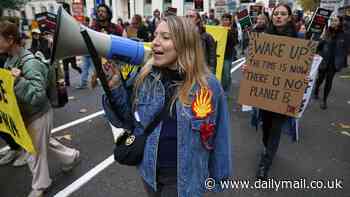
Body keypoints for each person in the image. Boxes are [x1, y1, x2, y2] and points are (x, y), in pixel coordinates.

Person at [103, 16, 232, 197]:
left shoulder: (208, 86)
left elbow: (220, 135)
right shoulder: (145, 77)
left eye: (165, 37)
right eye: (155, 35)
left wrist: (217, 178)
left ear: (185, 44)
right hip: (150, 174)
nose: (155, 42)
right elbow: (125, 120)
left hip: (185, 180)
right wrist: (115, 86)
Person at [0, 21, 80, 197]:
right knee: (41, 144)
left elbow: (37, 96)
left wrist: (18, 81)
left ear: (10, 39)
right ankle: (70, 156)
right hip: (27, 116)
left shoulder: (29, 63)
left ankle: (40, 185)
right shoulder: (11, 60)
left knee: (33, 151)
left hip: (37, 114)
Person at [243, 4, 298, 180]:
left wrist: (304, 78)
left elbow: (303, 67)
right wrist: (249, 68)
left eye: (283, 14)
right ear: (272, 17)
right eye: (276, 14)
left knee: (275, 129)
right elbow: (255, 62)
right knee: (266, 127)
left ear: (289, 17)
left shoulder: (299, 40)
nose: (279, 17)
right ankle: (268, 148)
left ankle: (265, 163)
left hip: (284, 94)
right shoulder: (264, 37)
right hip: (266, 93)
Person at [313, 16, 348, 109]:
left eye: (335, 20)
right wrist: (322, 39)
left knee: (329, 81)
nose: (332, 22)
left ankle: (324, 100)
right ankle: (316, 90)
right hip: (324, 60)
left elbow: (346, 50)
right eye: (331, 20)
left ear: (340, 22)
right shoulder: (326, 32)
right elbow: (319, 47)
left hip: (334, 63)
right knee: (320, 79)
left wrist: (342, 63)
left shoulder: (344, 34)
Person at [186, 9, 217, 73]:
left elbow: (212, 58)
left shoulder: (207, 37)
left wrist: (211, 71)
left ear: (198, 20)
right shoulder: (181, 35)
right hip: (187, 70)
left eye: (191, 16)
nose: (188, 19)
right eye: (187, 16)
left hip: (202, 70)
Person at [221, 13, 238, 93]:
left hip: (228, 55)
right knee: (221, 74)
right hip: (219, 55)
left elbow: (235, 42)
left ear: (230, 21)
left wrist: (228, 32)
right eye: (223, 20)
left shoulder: (233, 30)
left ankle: (226, 91)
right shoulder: (218, 29)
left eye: (226, 20)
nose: (225, 22)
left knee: (226, 75)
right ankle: (221, 90)